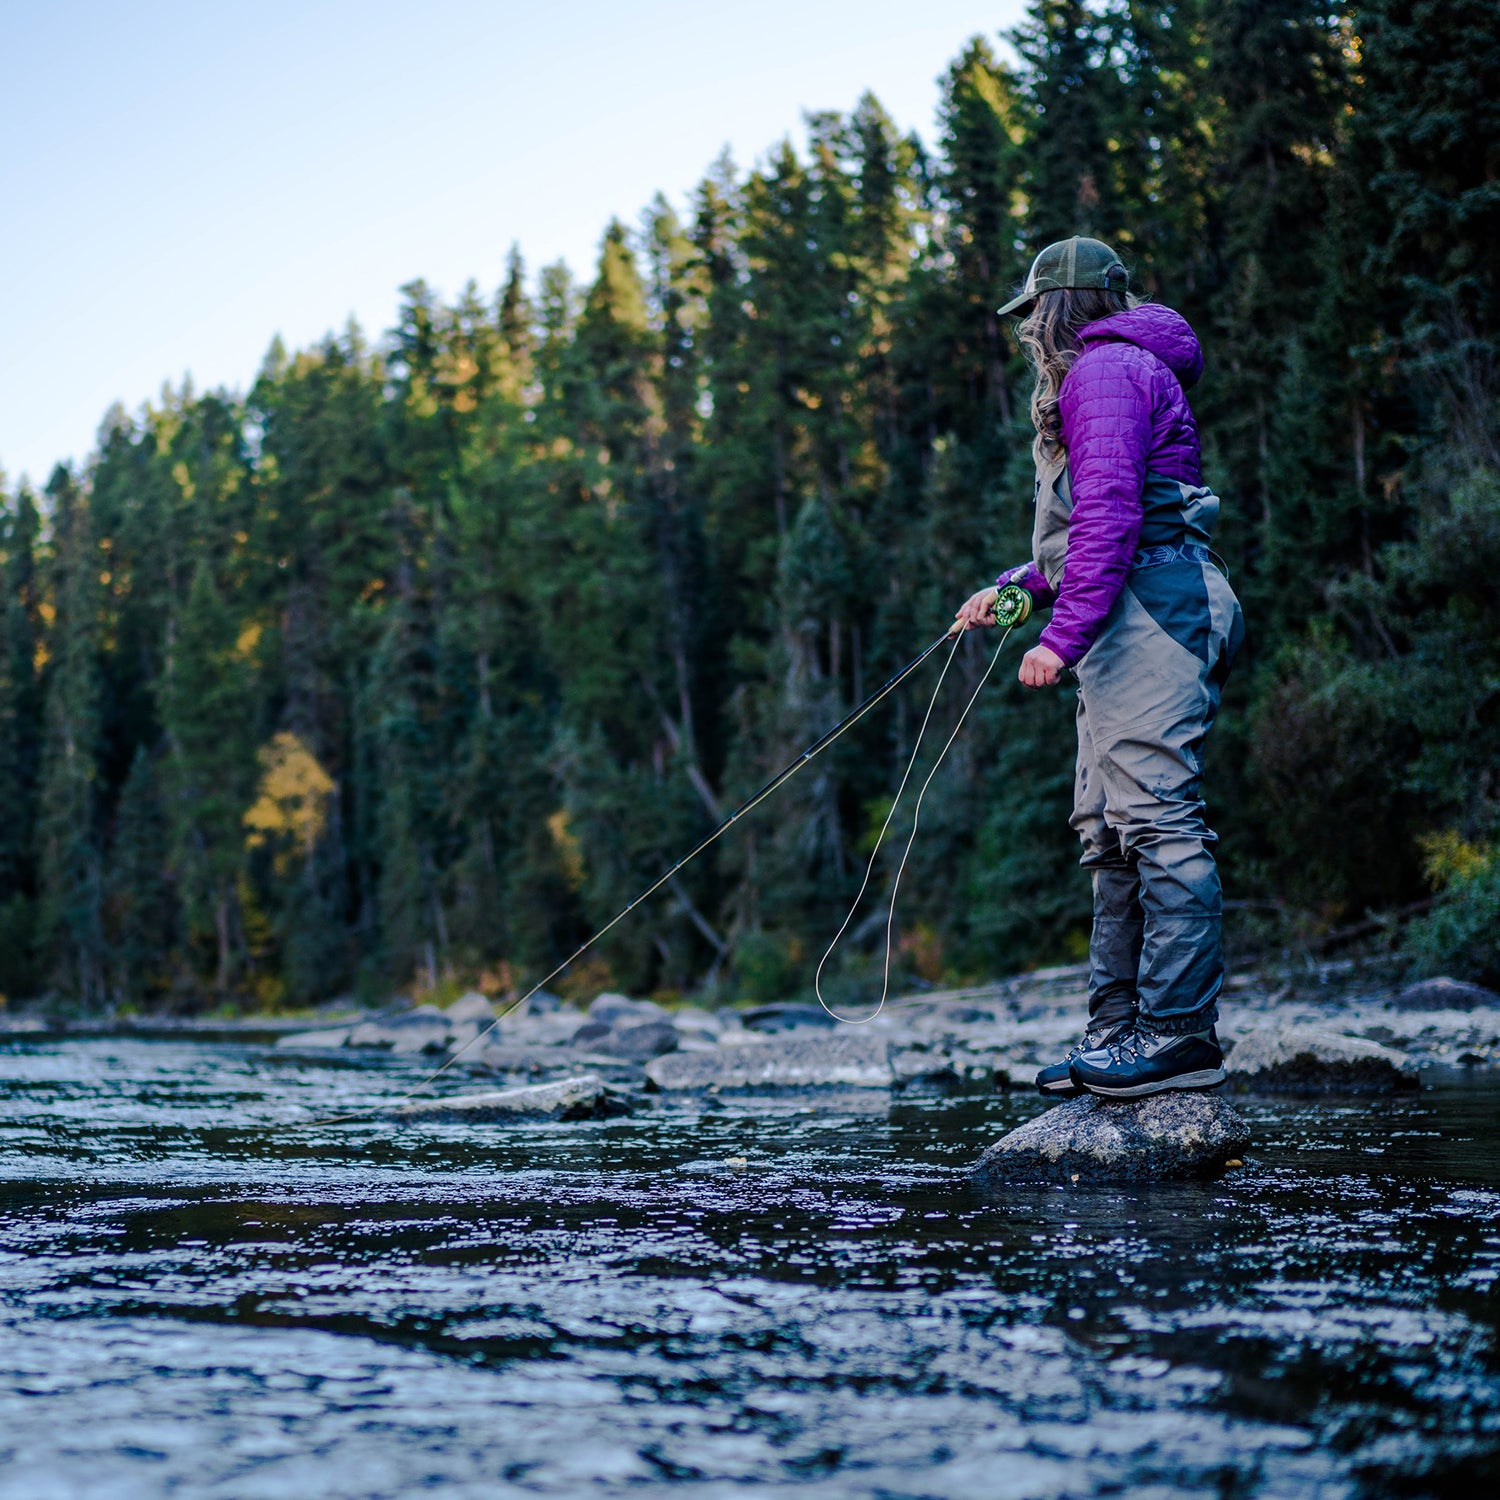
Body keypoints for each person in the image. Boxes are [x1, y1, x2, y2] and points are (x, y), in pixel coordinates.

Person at [954, 236, 1243, 1099]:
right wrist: (1021, 587)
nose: (1027, 332)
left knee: (1158, 821)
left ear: (1059, 309)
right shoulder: (1112, 371)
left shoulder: (1106, 372)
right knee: (1109, 832)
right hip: (1139, 603)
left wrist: (1058, 639)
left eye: (1032, 314)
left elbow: (1115, 517)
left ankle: (1179, 1038)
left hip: (1154, 608)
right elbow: (1100, 527)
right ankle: (1116, 1035)